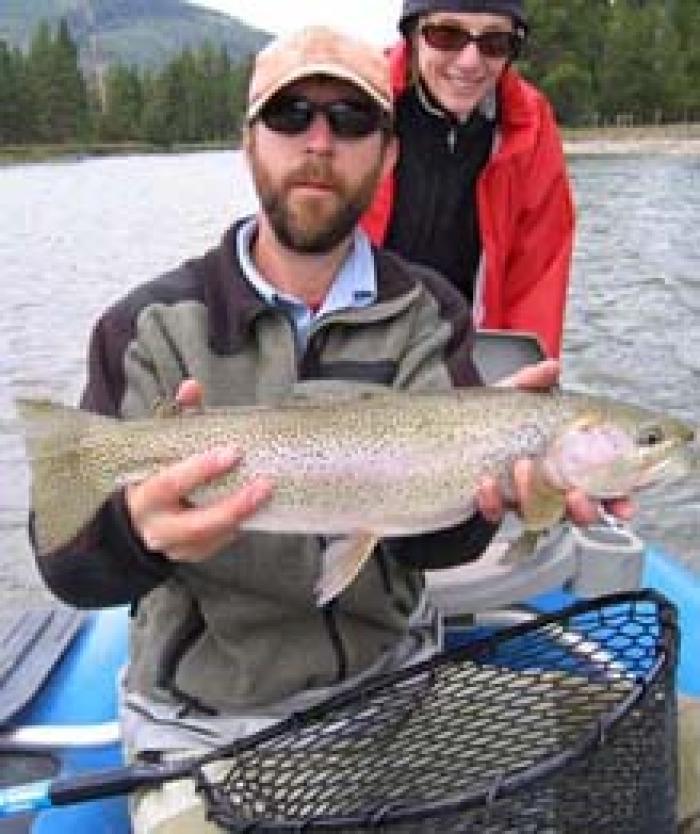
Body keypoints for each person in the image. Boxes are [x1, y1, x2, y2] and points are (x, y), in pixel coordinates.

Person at [30, 26, 619, 834]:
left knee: (674, 748)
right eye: (290, 115)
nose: (318, 141)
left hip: (402, 696)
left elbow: (431, 545)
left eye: (350, 120)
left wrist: (500, 494)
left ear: (386, 153)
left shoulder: (431, 313)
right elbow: (67, 568)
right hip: (210, 733)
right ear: (249, 142)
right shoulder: (147, 326)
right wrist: (137, 532)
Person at [361, 0, 575, 358]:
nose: (470, 61)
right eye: (446, 35)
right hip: (354, 343)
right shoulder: (357, 102)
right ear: (413, 35)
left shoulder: (531, 125)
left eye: (495, 43)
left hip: (468, 353)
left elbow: (538, 273)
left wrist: (523, 372)